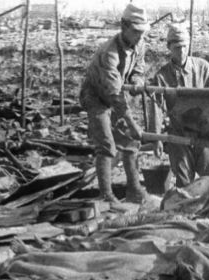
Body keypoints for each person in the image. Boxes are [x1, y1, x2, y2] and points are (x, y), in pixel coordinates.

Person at [79, 3, 149, 204]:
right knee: (107, 145)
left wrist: (137, 80)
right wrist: (133, 124)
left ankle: (134, 190)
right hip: (95, 96)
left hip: (115, 95)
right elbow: (115, 95)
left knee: (129, 141)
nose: (139, 36)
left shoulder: (140, 44)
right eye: (135, 31)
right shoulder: (109, 53)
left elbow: (139, 69)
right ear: (123, 26)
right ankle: (106, 196)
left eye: (142, 32)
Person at [153, 23, 209, 188]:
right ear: (169, 47)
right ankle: (185, 212)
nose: (181, 51)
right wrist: (157, 139)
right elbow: (157, 110)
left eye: (184, 46)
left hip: (203, 132)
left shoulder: (203, 67)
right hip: (178, 134)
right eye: (177, 47)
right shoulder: (161, 76)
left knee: (207, 179)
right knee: (184, 182)